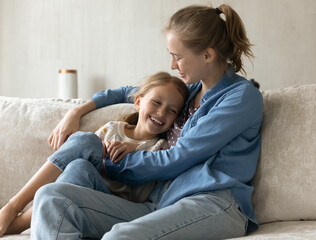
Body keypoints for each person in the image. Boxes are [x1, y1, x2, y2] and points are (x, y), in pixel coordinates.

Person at [30, 4, 263, 240]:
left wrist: (106, 160)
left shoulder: (240, 97)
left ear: (207, 55)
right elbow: (130, 92)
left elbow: (180, 156)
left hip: (213, 203)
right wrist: (76, 112)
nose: (172, 65)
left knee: (119, 238)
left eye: (178, 57)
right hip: (161, 202)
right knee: (51, 198)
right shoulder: (189, 92)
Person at [0, 71, 188, 236]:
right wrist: (100, 149)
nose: (161, 112)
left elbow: (139, 195)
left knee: (84, 148)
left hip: (117, 208)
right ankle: (14, 207)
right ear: (138, 102)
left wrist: (136, 151)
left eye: (171, 111)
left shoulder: (162, 148)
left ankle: (17, 223)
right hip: (87, 193)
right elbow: (87, 161)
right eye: (156, 102)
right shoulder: (113, 129)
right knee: (79, 163)